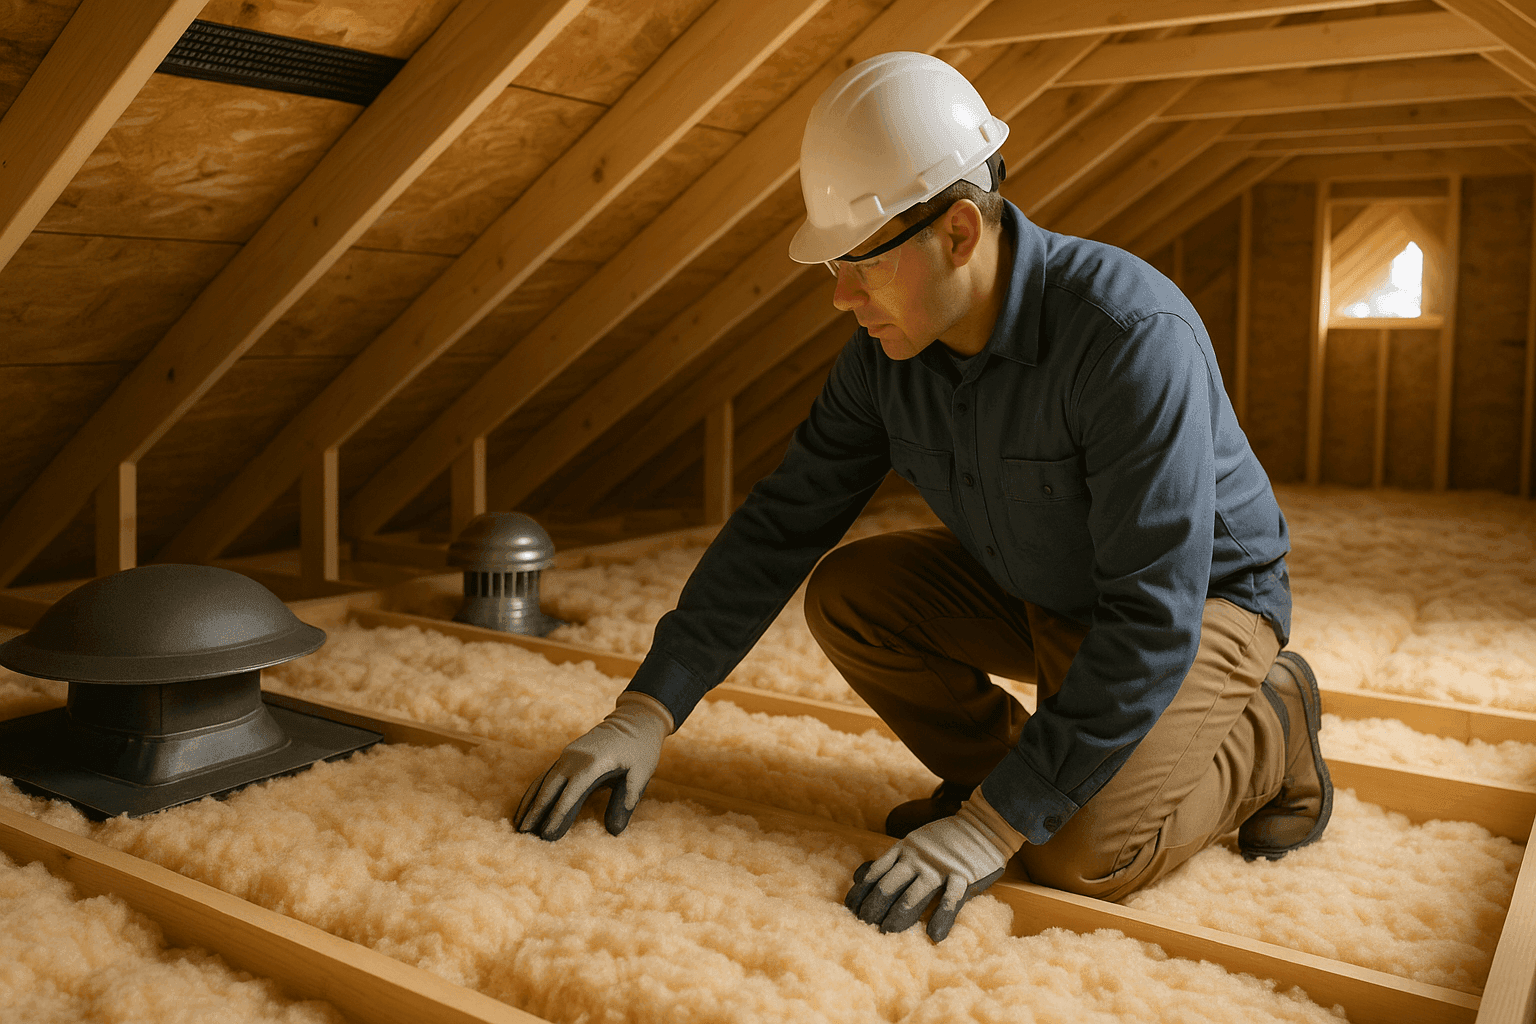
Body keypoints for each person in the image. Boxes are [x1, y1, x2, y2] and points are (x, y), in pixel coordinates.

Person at [514, 51, 1331, 943]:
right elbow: (783, 523)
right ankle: (1019, 783)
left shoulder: (1130, 337)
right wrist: (646, 709)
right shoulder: (884, 356)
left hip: (1197, 604)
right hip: (1049, 585)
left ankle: (1276, 727)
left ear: (959, 234)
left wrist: (996, 824)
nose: (839, 295)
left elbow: (1151, 615)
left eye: (860, 262)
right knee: (850, 595)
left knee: (1080, 856)